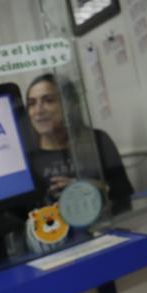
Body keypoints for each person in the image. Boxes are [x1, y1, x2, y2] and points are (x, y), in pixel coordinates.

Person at [25, 74, 133, 214]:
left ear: (69, 105)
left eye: (48, 100)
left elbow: (124, 194)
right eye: (32, 103)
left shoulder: (97, 140)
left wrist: (86, 187)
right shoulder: (27, 158)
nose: (38, 110)